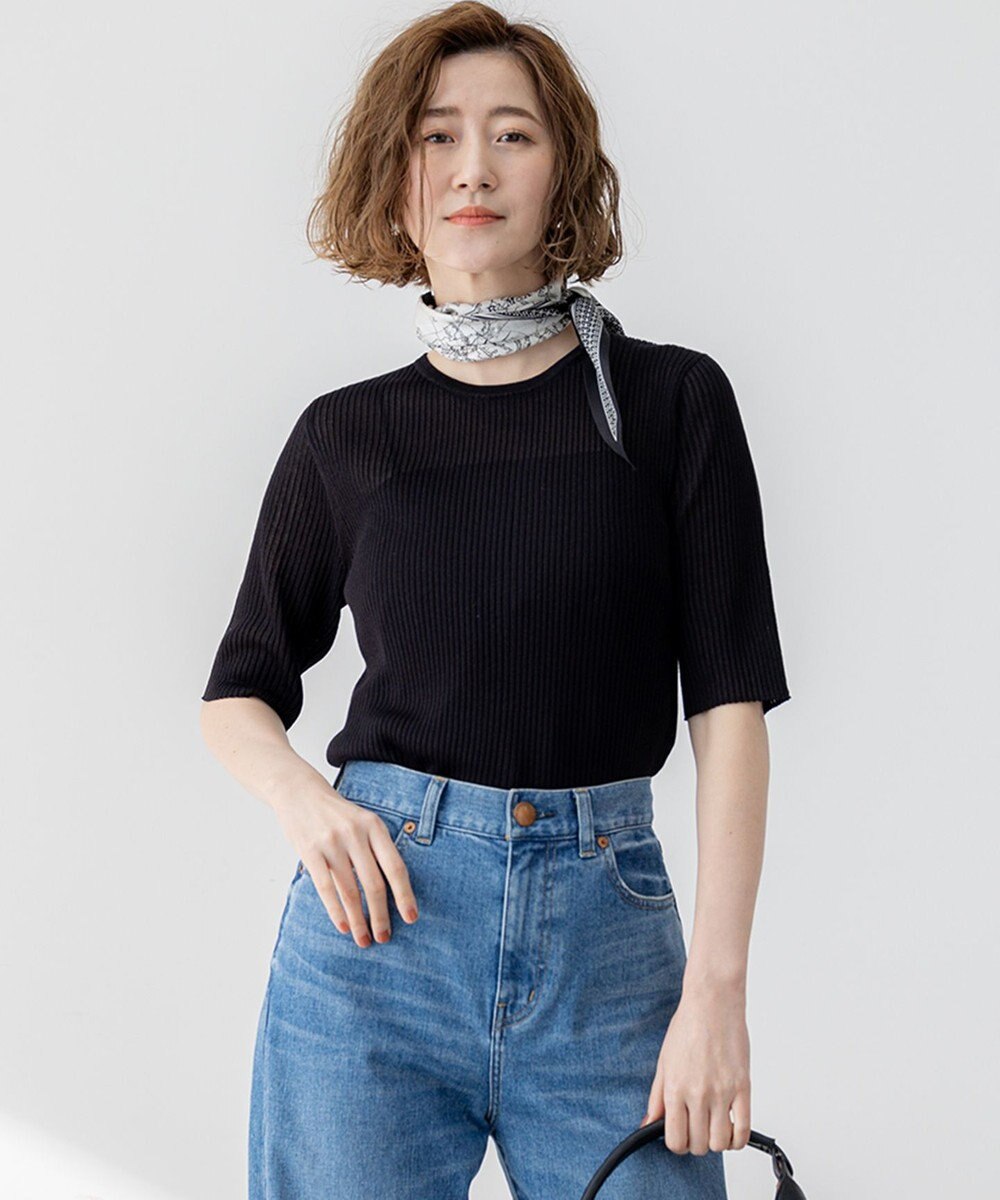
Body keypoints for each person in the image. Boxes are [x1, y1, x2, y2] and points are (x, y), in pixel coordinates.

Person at [199, 4, 791, 1198]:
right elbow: (237, 692)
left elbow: (728, 703)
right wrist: (308, 807)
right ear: (392, 174)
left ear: (561, 169)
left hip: (607, 950)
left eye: (512, 134)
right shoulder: (346, 435)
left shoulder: (669, 403)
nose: (473, 168)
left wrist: (716, 994)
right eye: (437, 137)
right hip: (374, 941)